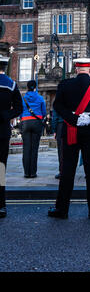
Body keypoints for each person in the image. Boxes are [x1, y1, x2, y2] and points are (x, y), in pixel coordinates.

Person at [48, 58, 90, 219]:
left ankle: (62, 209)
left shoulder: (65, 84)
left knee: (67, 170)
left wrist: (73, 119)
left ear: (76, 69)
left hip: (71, 130)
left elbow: (57, 106)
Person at [0, 55, 23, 218]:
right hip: (2, 131)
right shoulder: (12, 84)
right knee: (1, 169)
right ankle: (1, 206)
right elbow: (19, 108)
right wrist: (6, 115)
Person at [20, 80, 46, 178]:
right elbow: (43, 112)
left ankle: (26, 172)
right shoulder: (40, 98)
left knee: (26, 148)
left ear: (27, 87)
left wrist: (23, 118)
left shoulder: (24, 98)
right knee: (34, 149)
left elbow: (20, 111)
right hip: (36, 122)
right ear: (35, 87)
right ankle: (33, 172)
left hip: (25, 122)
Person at [51, 107, 64, 179]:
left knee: (61, 151)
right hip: (71, 124)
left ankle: (62, 171)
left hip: (61, 125)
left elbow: (55, 117)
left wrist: (54, 130)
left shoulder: (58, 99)